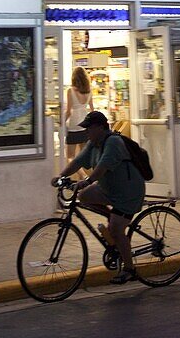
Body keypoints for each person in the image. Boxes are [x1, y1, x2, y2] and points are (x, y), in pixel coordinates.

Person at [52, 110, 145, 284]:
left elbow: (101, 167)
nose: (86, 131)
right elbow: (77, 161)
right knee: (84, 196)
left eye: (89, 128)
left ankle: (129, 269)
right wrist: (61, 176)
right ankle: (113, 217)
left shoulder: (113, 142)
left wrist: (86, 181)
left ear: (101, 128)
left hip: (128, 192)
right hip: (109, 189)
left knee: (117, 230)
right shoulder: (92, 144)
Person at [64, 67, 93, 170]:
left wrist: (61, 122)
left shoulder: (70, 91)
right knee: (84, 156)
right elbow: (92, 110)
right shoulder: (89, 91)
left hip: (74, 126)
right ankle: (87, 180)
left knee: (70, 156)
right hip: (85, 125)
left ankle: (81, 175)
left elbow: (68, 111)